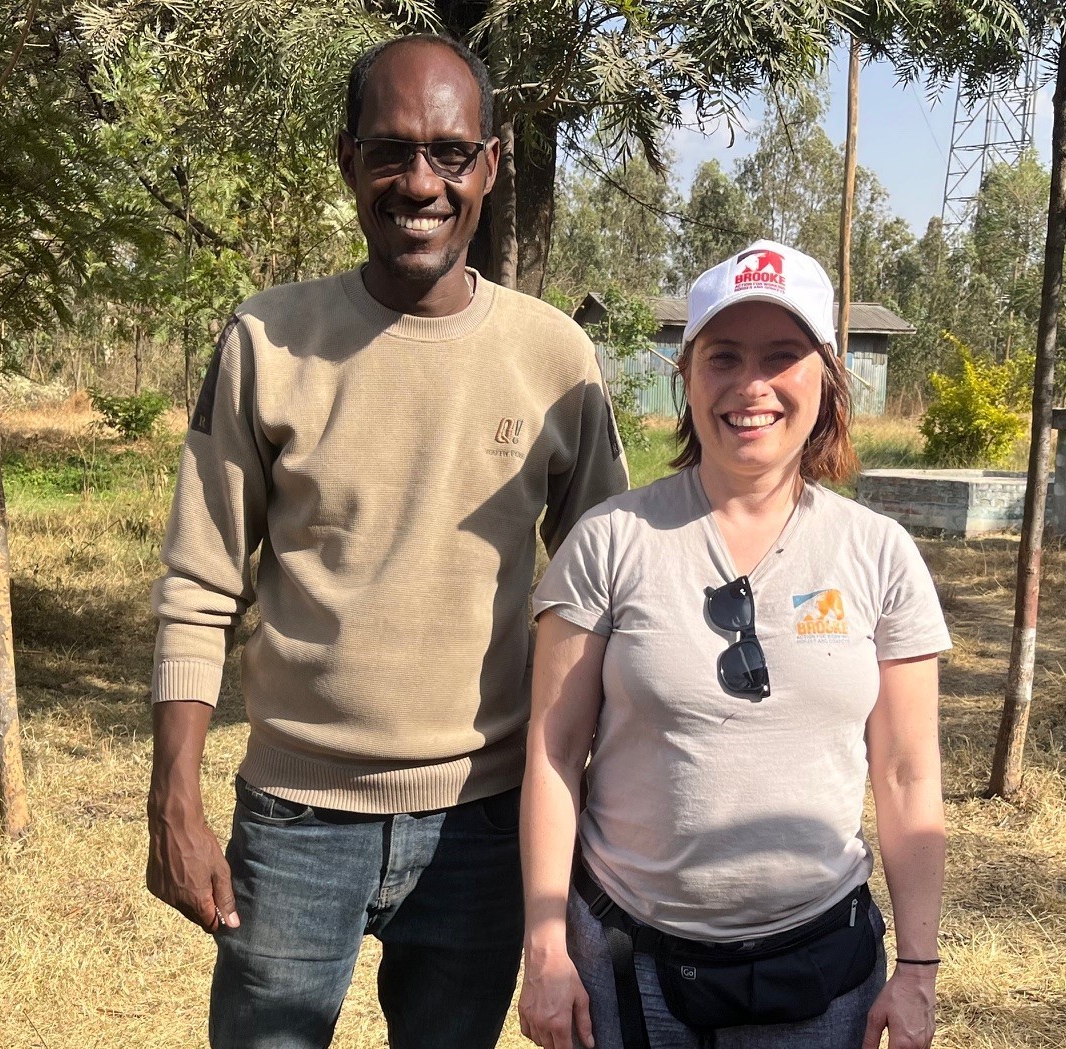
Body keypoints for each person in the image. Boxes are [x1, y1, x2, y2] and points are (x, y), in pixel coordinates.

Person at [144, 33, 629, 1049]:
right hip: (294, 818)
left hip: (482, 823)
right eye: (390, 151)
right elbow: (199, 582)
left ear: (491, 165)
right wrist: (173, 801)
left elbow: (608, 600)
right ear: (347, 161)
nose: (421, 182)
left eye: (451, 154)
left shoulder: (555, 360)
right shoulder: (266, 343)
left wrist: (599, 816)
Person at [517, 240, 951, 1049]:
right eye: (724, 357)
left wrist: (918, 967)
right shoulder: (610, 540)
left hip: (819, 972)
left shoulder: (878, 552)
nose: (752, 386)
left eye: (782, 357)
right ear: (688, 376)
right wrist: (545, 945)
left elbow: (906, 771)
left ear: (826, 376)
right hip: (627, 966)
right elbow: (552, 750)